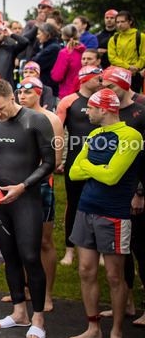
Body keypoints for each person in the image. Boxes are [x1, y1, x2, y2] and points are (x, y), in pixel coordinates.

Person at [66, 88, 142, 338]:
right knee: (86, 271)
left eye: (91, 108)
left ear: (104, 110)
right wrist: (97, 169)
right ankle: (93, 328)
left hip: (114, 213)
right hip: (86, 209)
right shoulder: (95, 135)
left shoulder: (131, 136)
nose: (86, 111)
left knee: (114, 275)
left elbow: (113, 177)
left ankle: (117, 333)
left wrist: (90, 169)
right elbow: (74, 172)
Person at [0, 79, 56, 338]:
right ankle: (18, 312)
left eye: (1, 108)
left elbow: (49, 163)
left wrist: (23, 186)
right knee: (10, 257)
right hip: (1, 197)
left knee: (30, 256)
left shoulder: (36, 120)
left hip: (26, 198)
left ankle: (38, 318)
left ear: (13, 98)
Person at [100, 66, 145, 325]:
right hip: (115, 191)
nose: (108, 91)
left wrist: (139, 192)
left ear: (126, 85)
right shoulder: (110, 110)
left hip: (136, 191)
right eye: (104, 85)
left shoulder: (142, 109)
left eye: (112, 86)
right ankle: (126, 303)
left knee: (141, 247)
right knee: (122, 249)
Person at [16, 77, 65, 312]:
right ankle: (26, 289)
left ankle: (47, 294)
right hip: (16, 184)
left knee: (44, 241)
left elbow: (55, 160)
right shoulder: (14, 117)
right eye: (19, 91)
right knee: (22, 240)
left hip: (41, 185)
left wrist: (30, 177)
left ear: (39, 93)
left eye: (28, 92)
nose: (22, 96)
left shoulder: (51, 119)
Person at [56, 66, 104, 266]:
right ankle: (69, 250)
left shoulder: (105, 102)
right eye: (98, 79)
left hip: (102, 160)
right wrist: (59, 159)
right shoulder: (69, 101)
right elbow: (57, 133)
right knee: (73, 204)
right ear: (86, 79)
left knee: (102, 205)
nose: (101, 82)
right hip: (76, 161)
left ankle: (102, 252)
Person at [109, 11, 145, 92]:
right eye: (117, 22)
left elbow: (143, 55)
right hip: (118, 73)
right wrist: (128, 67)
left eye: (122, 22)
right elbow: (112, 58)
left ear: (130, 22)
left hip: (135, 74)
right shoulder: (114, 39)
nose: (119, 24)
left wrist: (136, 67)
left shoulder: (140, 36)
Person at [52, 25, 87, 98]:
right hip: (83, 91)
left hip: (67, 92)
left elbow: (57, 76)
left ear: (63, 37)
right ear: (78, 35)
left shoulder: (65, 53)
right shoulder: (84, 51)